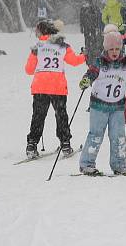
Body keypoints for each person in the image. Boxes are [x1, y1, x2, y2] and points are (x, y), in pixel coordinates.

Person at [77, 31, 126, 176]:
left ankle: (119, 165)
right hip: (99, 106)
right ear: (106, 49)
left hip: (117, 107)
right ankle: (87, 164)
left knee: (118, 136)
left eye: (117, 49)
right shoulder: (100, 61)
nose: (114, 52)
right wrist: (87, 80)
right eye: (111, 49)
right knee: (96, 135)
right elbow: (91, 73)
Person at [23, 19, 87, 159]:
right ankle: (65, 144)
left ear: (41, 32)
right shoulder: (62, 46)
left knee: (38, 116)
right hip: (57, 86)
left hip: (40, 86)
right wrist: (84, 55)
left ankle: (32, 145)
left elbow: (28, 70)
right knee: (61, 116)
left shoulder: (37, 47)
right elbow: (75, 62)